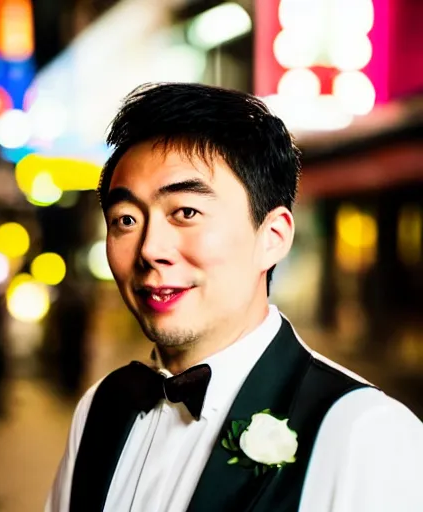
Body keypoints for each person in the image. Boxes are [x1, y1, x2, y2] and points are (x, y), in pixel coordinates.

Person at [45, 83, 423, 512]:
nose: (150, 249)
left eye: (185, 212)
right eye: (126, 219)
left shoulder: (365, 433)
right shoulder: (100, 408)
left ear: (273, 237)